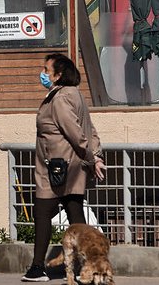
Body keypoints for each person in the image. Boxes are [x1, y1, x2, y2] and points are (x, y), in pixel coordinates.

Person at [22, 53, 105, 282]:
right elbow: (90, 129)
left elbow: (77, 134)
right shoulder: (74, 95)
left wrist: (91, 157)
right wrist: (95, 156)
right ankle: (91, 268)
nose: (43, 74)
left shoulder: (59, 99)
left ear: (59, 75)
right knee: (75, 215)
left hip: (57, 169)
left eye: (47, 70)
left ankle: (38, 268)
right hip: (70, 167)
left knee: (42, 213)